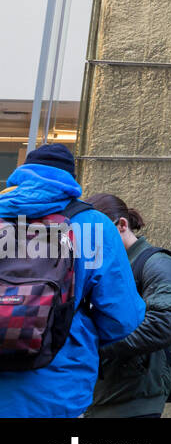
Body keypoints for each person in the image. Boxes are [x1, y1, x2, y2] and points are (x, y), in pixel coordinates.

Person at [0, 144, 144, 417]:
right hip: (58, 388)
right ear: (70, 181)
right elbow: (123, 320)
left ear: (21, 175)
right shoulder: (93, 225)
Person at [83, 194, 171, 418]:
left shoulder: (158, 264)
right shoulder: (101, 266)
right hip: (101, 395)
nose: (91, 245)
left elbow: (163, 325)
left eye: (98, 236)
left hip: (134, 399)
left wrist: (97, 349)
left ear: (122, 225)